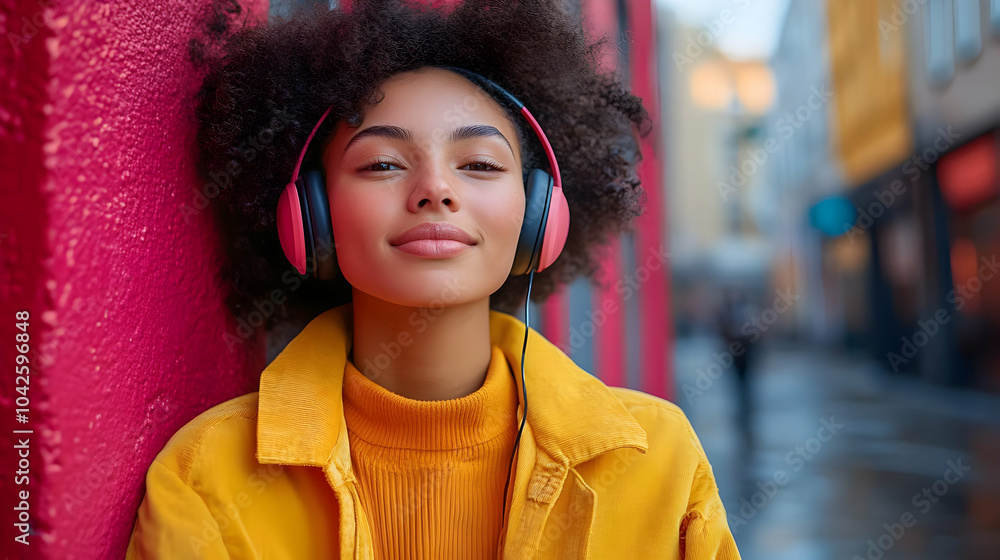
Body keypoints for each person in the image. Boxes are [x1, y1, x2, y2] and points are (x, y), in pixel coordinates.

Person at [126, 0, 741, 558]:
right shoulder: (207, 477)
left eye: (478, 163)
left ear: (538, 213)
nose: (436, 191)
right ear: (309, 213)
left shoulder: (660, 460)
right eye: (383, 163)